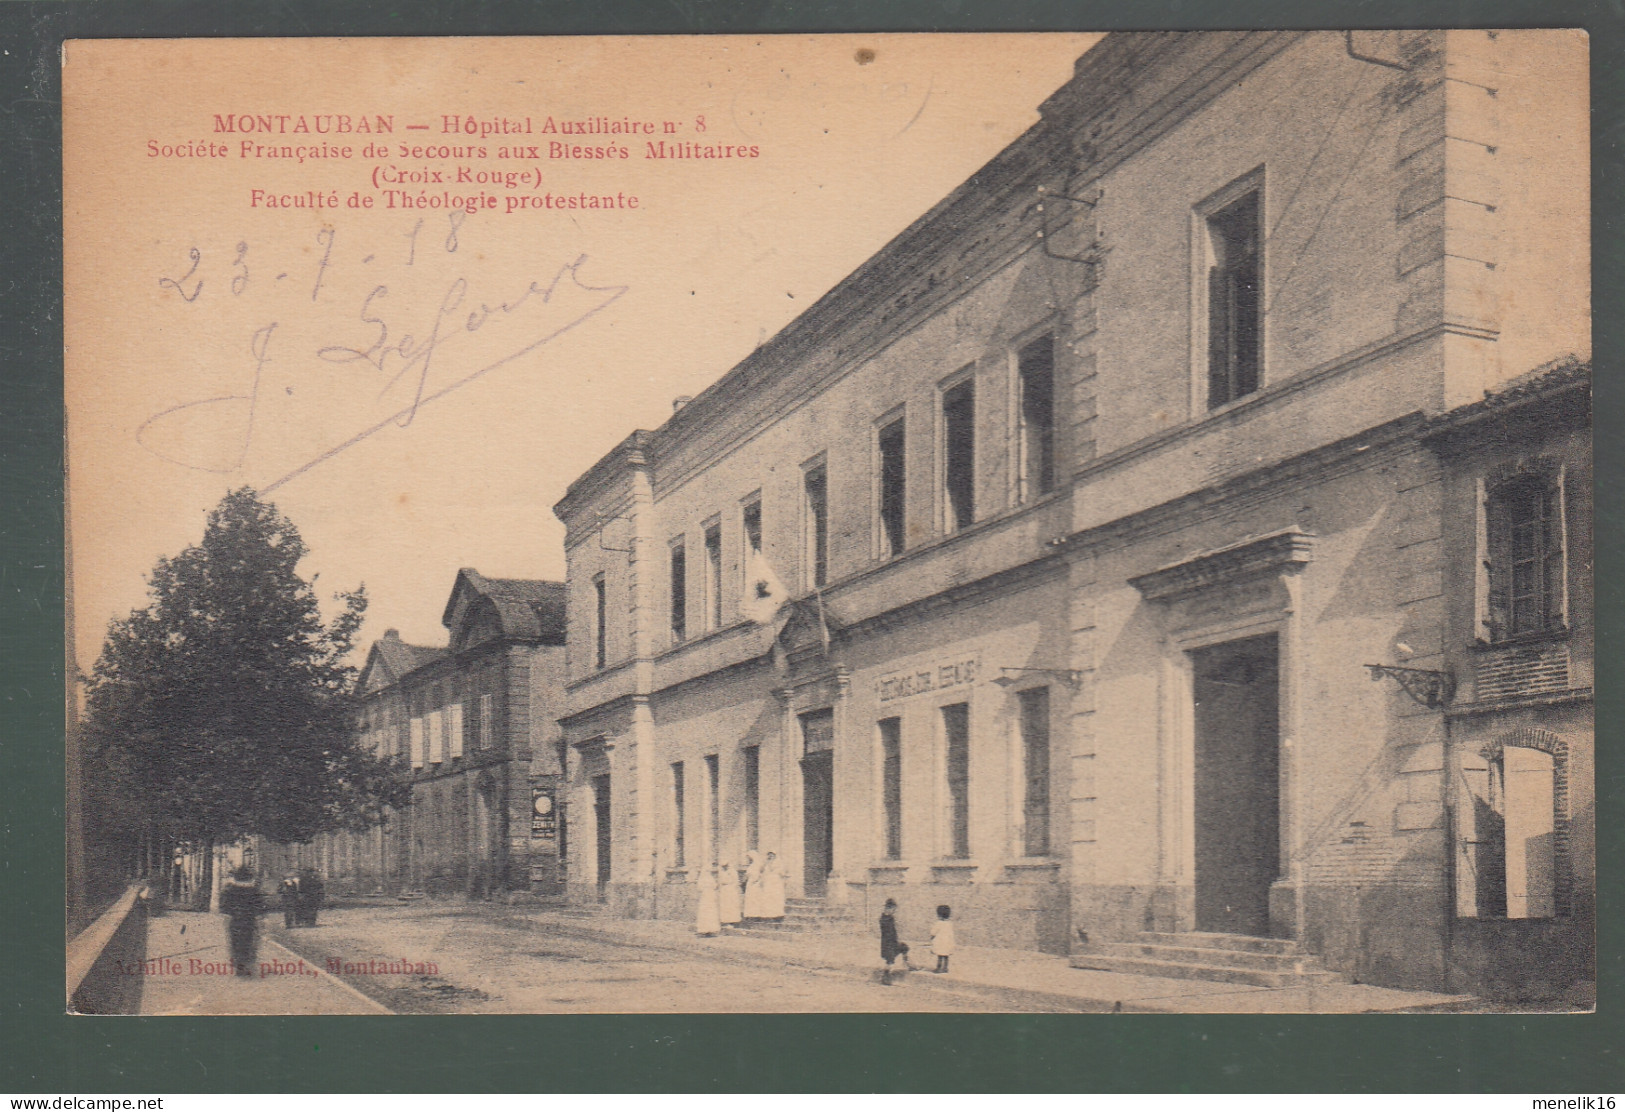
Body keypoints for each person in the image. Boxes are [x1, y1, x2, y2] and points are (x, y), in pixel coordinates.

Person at [217, 866, 266, 977]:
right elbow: (259, 907)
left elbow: (225, 907)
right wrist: (260, 920)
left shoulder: (230, 890)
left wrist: (226, 918)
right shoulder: (254, 890)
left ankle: (239, 965)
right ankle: (246, 964)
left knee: (235, 942)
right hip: (249, 921)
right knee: (248, 942)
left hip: (235, 921)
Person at [878, 898, 912, 985]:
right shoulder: (885, 919)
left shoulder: (889, 918)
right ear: (888, 908)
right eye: (893, 909)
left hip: (892, 942)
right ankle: (885, 978)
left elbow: (894, 931)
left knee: (904, 947)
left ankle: (908, 965)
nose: (894, 911)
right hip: (888, 944)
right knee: (890, 961)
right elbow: (888, 933)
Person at [694, 865, 722, 937]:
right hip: (706, 896)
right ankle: (704, 930)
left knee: (711, 912)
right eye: (707, 870)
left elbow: (714, 886)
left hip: (710, 896)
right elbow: (699, 888)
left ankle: (711, 930)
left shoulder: (710, 878)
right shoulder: (703, 878)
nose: (708, 872)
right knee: (705, 912)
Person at [742, 850, 768, 920]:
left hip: (755, 883)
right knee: (750, 899)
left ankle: (756, 914)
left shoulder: (758, 865)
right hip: (750, 883)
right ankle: (750, 914)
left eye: (749, 857)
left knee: (755, 899)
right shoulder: (751, 865)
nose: (749, 859)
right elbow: (747, 875)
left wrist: (756, 880)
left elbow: (761, 874)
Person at [760, 850, 786, 920]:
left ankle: (778, 915)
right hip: (768, 882)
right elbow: (762, 871)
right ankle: (769, 914)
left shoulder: (779, 862)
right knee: (769, 898)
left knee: (776, 898)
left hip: (776, 882)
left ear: (775, 855)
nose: (770, 856)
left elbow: (782, 872)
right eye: (769, 854)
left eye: (772, 854)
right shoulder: (766, 863)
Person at [930, 905, 956, 974]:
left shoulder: (938, 923)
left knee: (940, 956)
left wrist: (931, 938)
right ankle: (945, 968)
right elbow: (951, 934)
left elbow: (933, 932)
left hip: (940, 942)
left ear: (939, 914)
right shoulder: (950, 924)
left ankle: (938, 968)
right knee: (946, 956)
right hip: (947, 942)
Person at [716, 861, 742, 927]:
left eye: (725, 866)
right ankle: (725, 921)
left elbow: (736, 881)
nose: (724, 867)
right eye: (723, 866)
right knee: (725, 906)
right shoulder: (722, 872)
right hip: (724, 890)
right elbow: (719, 881)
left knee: (731, 906)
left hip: (731, 890)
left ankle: (732, 922)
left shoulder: (732, 871)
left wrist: (732, 889)